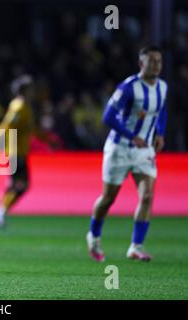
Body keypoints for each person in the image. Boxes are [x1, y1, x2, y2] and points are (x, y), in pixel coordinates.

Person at [86, 46, 168, 262]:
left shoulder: (163, 87)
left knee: (148, 195)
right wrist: (132, 136)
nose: (156, 65)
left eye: (159, 61)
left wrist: (160, 132)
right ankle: (93, 236)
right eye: (152, 61)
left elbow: (162, 110)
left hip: (144, 151)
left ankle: (136, 246)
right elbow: (108, 116)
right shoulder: (129, 87)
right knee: (108, 198)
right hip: (120, 149)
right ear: (141, 64)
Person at [0, 75, 36, 227]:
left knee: (17, 184)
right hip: (15, 152)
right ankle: (0, 212)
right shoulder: (18, 106)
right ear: (26, 90)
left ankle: (1, 211)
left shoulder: (25, 106)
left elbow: (30, 129)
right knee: (21, 185)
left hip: (20, 151)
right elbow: (6, 126)